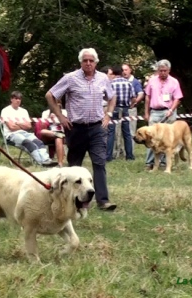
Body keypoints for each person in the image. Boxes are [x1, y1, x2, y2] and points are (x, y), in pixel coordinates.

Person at [45, 48, 117, 211]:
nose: (88, 63)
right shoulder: (70, 78)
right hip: (76, 128)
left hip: (97, 128)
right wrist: (61, 117)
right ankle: (71, 200)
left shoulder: (103, 78)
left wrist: (109, 115)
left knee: (99, 163)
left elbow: (112, 97)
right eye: (85, 60)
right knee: (74, 166)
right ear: (80, 62)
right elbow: (50, 95)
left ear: (96, 62)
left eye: (91, 60)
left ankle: (103, 201)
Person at [144, 59, 183, 170]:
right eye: (160, 71)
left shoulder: (174, 82)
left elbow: (177, 98)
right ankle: (149, 163)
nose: (163, 73)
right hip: (155, 112)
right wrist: (146, 112)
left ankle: (165, 163)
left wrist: (171, 110)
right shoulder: (152, 81)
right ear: (158, 70)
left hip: (168, 112)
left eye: (165, 71)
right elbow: (147, 97)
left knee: (168, 139)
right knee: (150, 138)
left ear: (169, 70)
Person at [0, 91, 56, 166]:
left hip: (24, 133)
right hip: (11, 135)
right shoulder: (5, 111)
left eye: (19, 99)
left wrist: (17, 123)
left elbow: (29, 126)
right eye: (16, 98)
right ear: (11, 99)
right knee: (29, 143)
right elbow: (11, 127)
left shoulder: (24, 111)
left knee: (39, 142)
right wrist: (23, 125)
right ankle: (41, 162)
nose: (18, 100)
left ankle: (46, 160)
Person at [106, 65, 136, 161]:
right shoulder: (128, 83)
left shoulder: (111, 83)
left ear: (114, 73)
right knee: (126, 133)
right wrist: (130, 105)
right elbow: (134, 98)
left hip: (114, 109)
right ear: (121, 72)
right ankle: (129, 156)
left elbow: (108, 97)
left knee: (111, 132)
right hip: (125, 109)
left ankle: (108, 156)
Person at [122, 63, 144, 151]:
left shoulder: (135, 82)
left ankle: (130, 151)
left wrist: (134, 103)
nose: (124, 72)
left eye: (126, 70)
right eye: (122, 70)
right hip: (122, 108)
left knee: (130, 131)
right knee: (120, 132)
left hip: (130, 110)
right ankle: (121, 151)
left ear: (130, 70)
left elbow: (141, 94)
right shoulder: (120, 81)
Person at [37, 102, 67, 167]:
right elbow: (43, 124)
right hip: (49, 133)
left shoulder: (64, 112)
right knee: (42, 131)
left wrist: (55, 120)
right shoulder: (46, 113)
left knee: (58, 138)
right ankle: (56, 134)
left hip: (61, 132)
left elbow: (66, 124)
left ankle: (60, 163)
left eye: (58, 103)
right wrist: (49, 119)